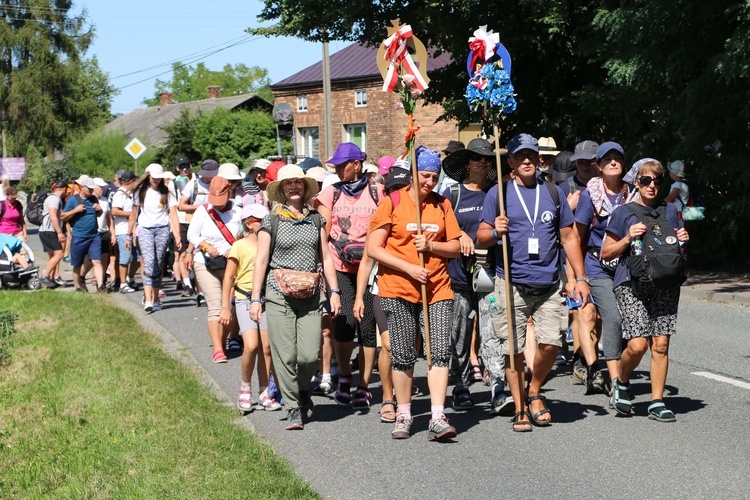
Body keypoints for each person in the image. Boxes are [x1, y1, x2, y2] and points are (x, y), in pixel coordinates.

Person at [476, 133, 590, 432]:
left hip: (550, 282)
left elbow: (568, 237)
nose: (527, 160)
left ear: (538, 159)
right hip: (510, 282)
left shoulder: (552, 191)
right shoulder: (498, 194)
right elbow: (481, 236)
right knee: (512, 348)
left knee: (552, 344)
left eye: (531, 155)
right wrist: (495, 231)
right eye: (520, 156)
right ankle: (520, 406)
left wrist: (579, 278)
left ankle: (535, 389)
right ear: (511, 161)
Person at [367, 146, 462, 441]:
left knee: (439, 352)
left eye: (434, 177)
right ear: (411, 174)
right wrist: (409, 267)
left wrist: (431, 247)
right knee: (404, 355)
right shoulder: (392, 203)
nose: (429, 182)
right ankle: (405, 413)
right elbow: (374, 248)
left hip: (437, 289)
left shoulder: (442, 205)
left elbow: (457, 247)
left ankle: (436, 415)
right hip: (398, 288)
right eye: (424, 175)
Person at [250, 164, 341, 430]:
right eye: (288, 183)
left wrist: (334, 292)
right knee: (285, 355)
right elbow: (261, 260)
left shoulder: (316, 220)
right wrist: (256, 297)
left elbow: (325, 257)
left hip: (312, 295)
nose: (293, 186)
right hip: (278, 295)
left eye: (298, 183)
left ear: (304, 188)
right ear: (280, 189)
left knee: (309, 356)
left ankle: (302, 391)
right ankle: (292, 406)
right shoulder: (272, 220)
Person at [601, 159, 689, 421]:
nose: (652, 186)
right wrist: (628, 238)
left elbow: (672, 248)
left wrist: (682, 240)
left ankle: (657, 401)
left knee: (660, 344)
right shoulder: (623, 212)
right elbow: (605, 253)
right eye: (646, 181)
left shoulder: (670, 210)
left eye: (657, 181)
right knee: (638, 345)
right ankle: (621, 383)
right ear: (636, 183)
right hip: (631, 283)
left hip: (665, 283)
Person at [440, 138, 510, 413]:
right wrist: (458, 237)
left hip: (489, 273)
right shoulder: (452, 195)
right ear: (467, 163)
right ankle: (461, 386)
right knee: (459, 332)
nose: (482, 162)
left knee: (492, 329)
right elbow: (439, 229)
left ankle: (497, 386)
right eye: (477, 158)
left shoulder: (497, 194)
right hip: (458, 275)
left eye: (486, 159)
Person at [316, 142, 384, 409]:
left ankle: (364, 384)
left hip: (370, 268)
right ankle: (344, 375)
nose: (337, 170)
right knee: (343, 322)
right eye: (335, 166)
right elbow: (323, 236)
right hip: (339, 267)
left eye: (342, 165)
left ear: (357, 165)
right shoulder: (329, 193)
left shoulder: (378, 191)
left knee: (368, 326)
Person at [574, 142, 639, 396]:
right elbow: (576, 238)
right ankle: (615, 382)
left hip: (626, 265)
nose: (614, 162)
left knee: (629, 323)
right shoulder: (590, 195)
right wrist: (577, 277)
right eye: (607, 159)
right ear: (598, 166)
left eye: (618, 158)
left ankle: (621, 373)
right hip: (596, 266)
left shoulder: (633, 193)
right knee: (612, 317)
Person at [220, 203, 282, 412]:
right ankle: (245, 387)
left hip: (267, 299)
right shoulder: (239, 246)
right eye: (261, 220)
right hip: (244, 299)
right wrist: (225, 307)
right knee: (252, 346)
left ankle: (265, 391)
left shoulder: (271, 244)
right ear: (249, 223)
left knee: (267, 348)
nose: (267, 224)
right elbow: (229, 277)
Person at [186, 176, 243, 363]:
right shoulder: (202, 211)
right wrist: (205, 247)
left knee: (231, 307)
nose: (217, 205)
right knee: (216, 307)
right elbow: (192, 235)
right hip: (206, 263)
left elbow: (244, 235)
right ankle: (218, 348)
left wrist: (233, 248)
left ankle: (224, 341)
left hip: (231, 264)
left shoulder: (238, 211)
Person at [127, 164, 181, 312]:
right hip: (145, 229)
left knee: (158, 262)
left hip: (162, 229)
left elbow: (173, 214)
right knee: (149, 262)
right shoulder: (140, 192)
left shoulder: (167, 193)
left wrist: (177, 235)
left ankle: (156, 297)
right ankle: (148, 299)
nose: (156, 180)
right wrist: (128, 234)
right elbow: (133, 214)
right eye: (153, 177)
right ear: (148, 176)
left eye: (158, 178)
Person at [179, 159, 218, 301]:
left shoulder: (217, 184)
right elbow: (181, 206)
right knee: (196, 257)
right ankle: (199, 291)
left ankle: (206, 290)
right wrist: (202, 208)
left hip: (214, 224)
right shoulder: (193, 184)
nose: (210, 177)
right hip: (196, 224)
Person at [61, 175, 105, 293]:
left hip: (94, 236)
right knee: (77, 263)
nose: (91, 191)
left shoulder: (94, 199)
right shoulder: (73, 200)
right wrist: (75, 210)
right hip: (79, 236)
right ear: (82, 187)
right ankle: (77, 286)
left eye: (92, 189)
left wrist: (99, 210)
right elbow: (63, 216)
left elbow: (99, 215)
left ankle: (101, 286)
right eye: (89, 188)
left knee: (96, 261)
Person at [111, 171, 140, 293]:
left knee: (138, 257)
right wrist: (132, 214)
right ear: (131, 181)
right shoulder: (120, 194)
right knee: (125, 257)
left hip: (134, 229)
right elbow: (115, 211)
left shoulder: (132, 193)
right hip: (123, 229)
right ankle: (122, 283)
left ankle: (130, 277)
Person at [38, 180, 69, 288]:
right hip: (49, 230)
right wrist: (60, 232)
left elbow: (60, 215)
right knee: (59, 254)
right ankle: (45, 275)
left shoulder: (54, 199)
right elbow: (52, 215)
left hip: (47, 230)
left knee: (53, 256)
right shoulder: (54, 199)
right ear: (64, 189)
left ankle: (50, 280)